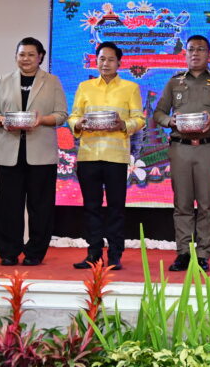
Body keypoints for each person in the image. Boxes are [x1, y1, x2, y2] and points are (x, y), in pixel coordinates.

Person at [153, 35, 210, 272]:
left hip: (208, 148)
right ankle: (183, 253)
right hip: (180, 147)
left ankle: (202, 254)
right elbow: (158, 113)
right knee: (182, 203)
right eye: (191, 49)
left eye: (201, 49)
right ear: (186, 53)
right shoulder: (174, 82)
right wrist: (170, 121)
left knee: (206, 204)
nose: (195, 53)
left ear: (209, 54)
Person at [0, 37, 68, 267]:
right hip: (10, 153)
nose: (26, 59)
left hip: (41, 154)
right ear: (16, 56)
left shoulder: (52, 81)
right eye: (22, 54)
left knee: (40, 207)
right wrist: (2, 120)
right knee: (8, 206)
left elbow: (62, 115)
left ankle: (35, 252)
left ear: (40, 57)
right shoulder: (4, 80)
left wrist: (42, 120)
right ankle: (8, 252)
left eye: (31, 54)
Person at [68, 41, 145, 270]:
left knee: (115, 207)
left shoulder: (130, 88)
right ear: (96, 61)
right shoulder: (85, 87)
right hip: (88, 155)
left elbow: (139, 119)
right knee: (91, 207)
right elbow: (73, 116)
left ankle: (115, 255)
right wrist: (78, 123)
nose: (105, 63)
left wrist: (124, 124)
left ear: (119, 63)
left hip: (116, 157)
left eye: (111, 59)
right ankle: (93, 254)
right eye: (101, 59)